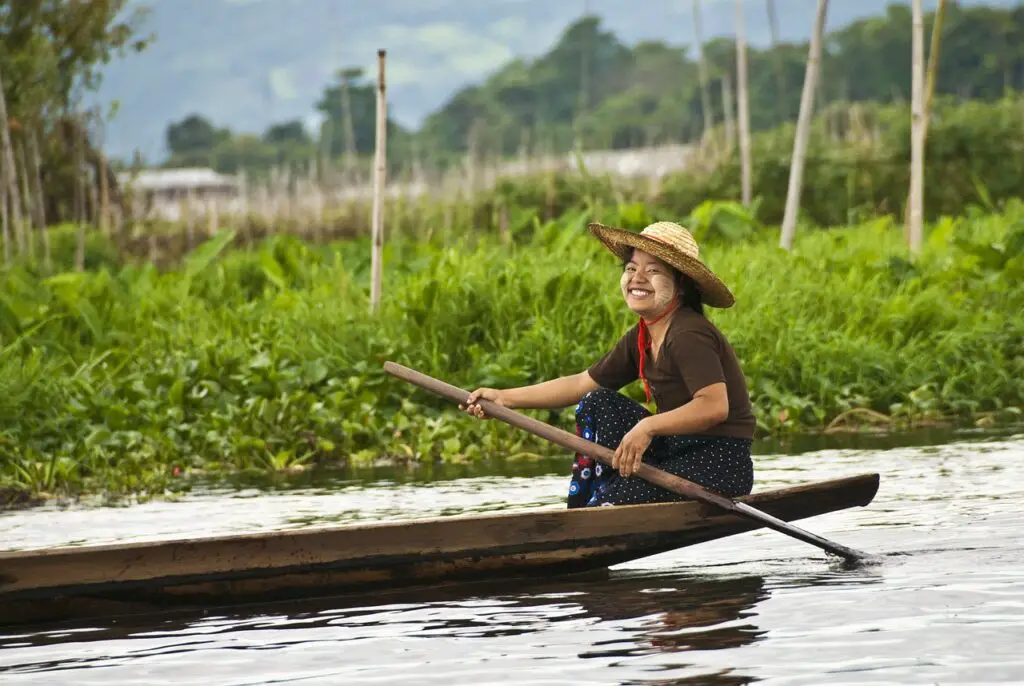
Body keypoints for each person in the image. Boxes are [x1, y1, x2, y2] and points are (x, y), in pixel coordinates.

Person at [461, 220, 756, 508]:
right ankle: (595, 503)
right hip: (675, 451)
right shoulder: (642, 336)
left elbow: (714, 406)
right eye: (631, 268)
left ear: (681, 285)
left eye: (653, 271)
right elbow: (580, 384)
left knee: (614, 501)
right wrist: (504, 398)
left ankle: (606, 502)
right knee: (597, 401)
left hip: (718, 465)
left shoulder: (688, 333)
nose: (637, 278)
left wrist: (648, 426)